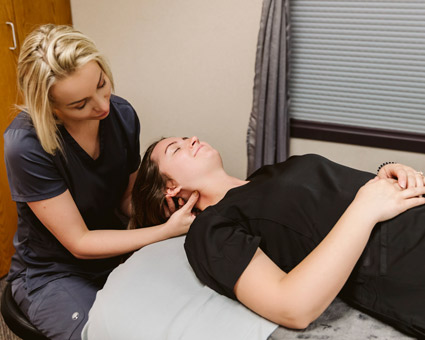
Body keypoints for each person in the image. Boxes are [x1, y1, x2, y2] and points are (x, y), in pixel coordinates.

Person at [4, 25, 198, 340]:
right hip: (54, 273)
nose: (102, 106)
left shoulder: (121, 114)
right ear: (50, 107)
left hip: (115, 255)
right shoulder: (26, 145)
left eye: (101, 84)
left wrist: (167, 206)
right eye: (80, 105)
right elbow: (79, 242)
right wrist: (165, 231)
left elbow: (126, 200)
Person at [131, 136, 425, 338]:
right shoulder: (210, 229)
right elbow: (292, 306)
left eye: (185, 137)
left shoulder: (268, 174)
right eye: (176, 148)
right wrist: (365, 207)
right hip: (409, 259)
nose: (191, 139)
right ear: (170, 188)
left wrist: (386, 177)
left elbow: (330, 200)